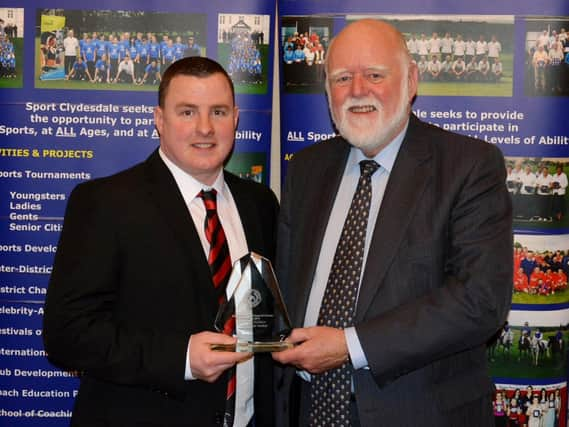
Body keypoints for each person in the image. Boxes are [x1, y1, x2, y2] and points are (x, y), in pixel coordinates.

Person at [272, 19, 512, 427]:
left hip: (418, 412)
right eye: (342, 77)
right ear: (328, 91)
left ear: (412, 80)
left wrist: (349, 346)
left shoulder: (468, 166)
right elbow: (289, 289)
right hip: (307, 409)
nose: (358, 90)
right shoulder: (307, 169)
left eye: (375, 75)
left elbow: (480, 301)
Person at [43, 57, 278, 426]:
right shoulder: (105, 203)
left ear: (235, 119)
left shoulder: (261, 204)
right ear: (159, 119)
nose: (205, 128)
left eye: (217, 112)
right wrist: (181, 357)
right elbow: (67, 334)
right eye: (187, 112)